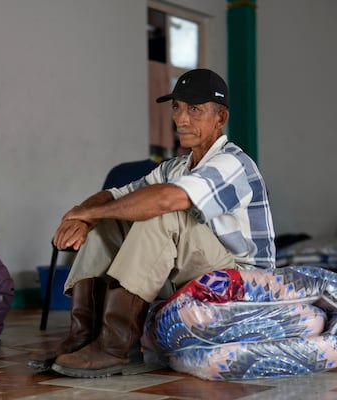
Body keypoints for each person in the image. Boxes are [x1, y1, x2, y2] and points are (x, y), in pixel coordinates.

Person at [28, 68, 275, 378]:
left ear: (220, 118)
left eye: (194, 109)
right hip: (197, 268)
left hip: (241, 278)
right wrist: (80, 214)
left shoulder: (233, 162)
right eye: (177, 108)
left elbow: (165, 201)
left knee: (161, 213)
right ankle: (84, 336)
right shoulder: (175, 167)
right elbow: (114, 194)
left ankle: (115, 346)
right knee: (108, 221)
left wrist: (89, 215)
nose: (181, 119)